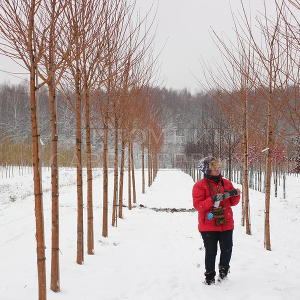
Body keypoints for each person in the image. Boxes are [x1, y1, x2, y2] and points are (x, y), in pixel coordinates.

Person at [192, 156, 240, 285]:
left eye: (218, 167)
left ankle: (224, 272)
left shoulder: (226, 183)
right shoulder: (199, 186)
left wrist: (235, 194)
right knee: (211, 251)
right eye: (214, 168)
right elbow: (198, 206)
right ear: (207, 170)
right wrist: (212, 199)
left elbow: (233, 202)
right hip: (208, 225)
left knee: (227, 249)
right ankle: (209, 277)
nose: (218, 170)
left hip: (226, 223)